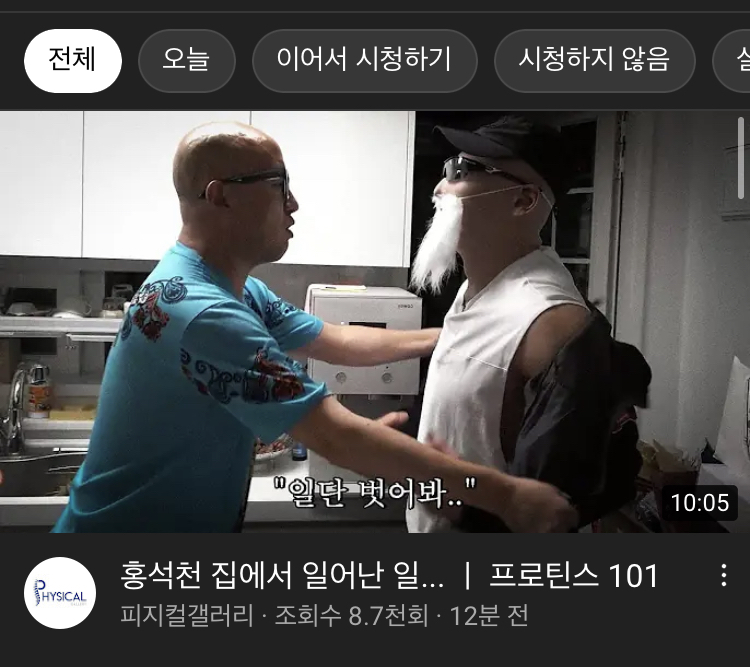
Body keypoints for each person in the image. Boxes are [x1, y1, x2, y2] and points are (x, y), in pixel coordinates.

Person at [52, 120, 577, 533]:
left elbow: (337, 340)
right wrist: (508, 496)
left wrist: (460, 335)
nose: (293, 203)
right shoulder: (204, 314)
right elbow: (333, 434)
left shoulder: (229, 289)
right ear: (221, 195)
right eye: (278, 185)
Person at [405, 115, 598, 533]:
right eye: (447, 168)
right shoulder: (478, 284)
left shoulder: (549, 320)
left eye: (461, 171)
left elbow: (558, 501)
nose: (439, 188)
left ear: (523, 200)